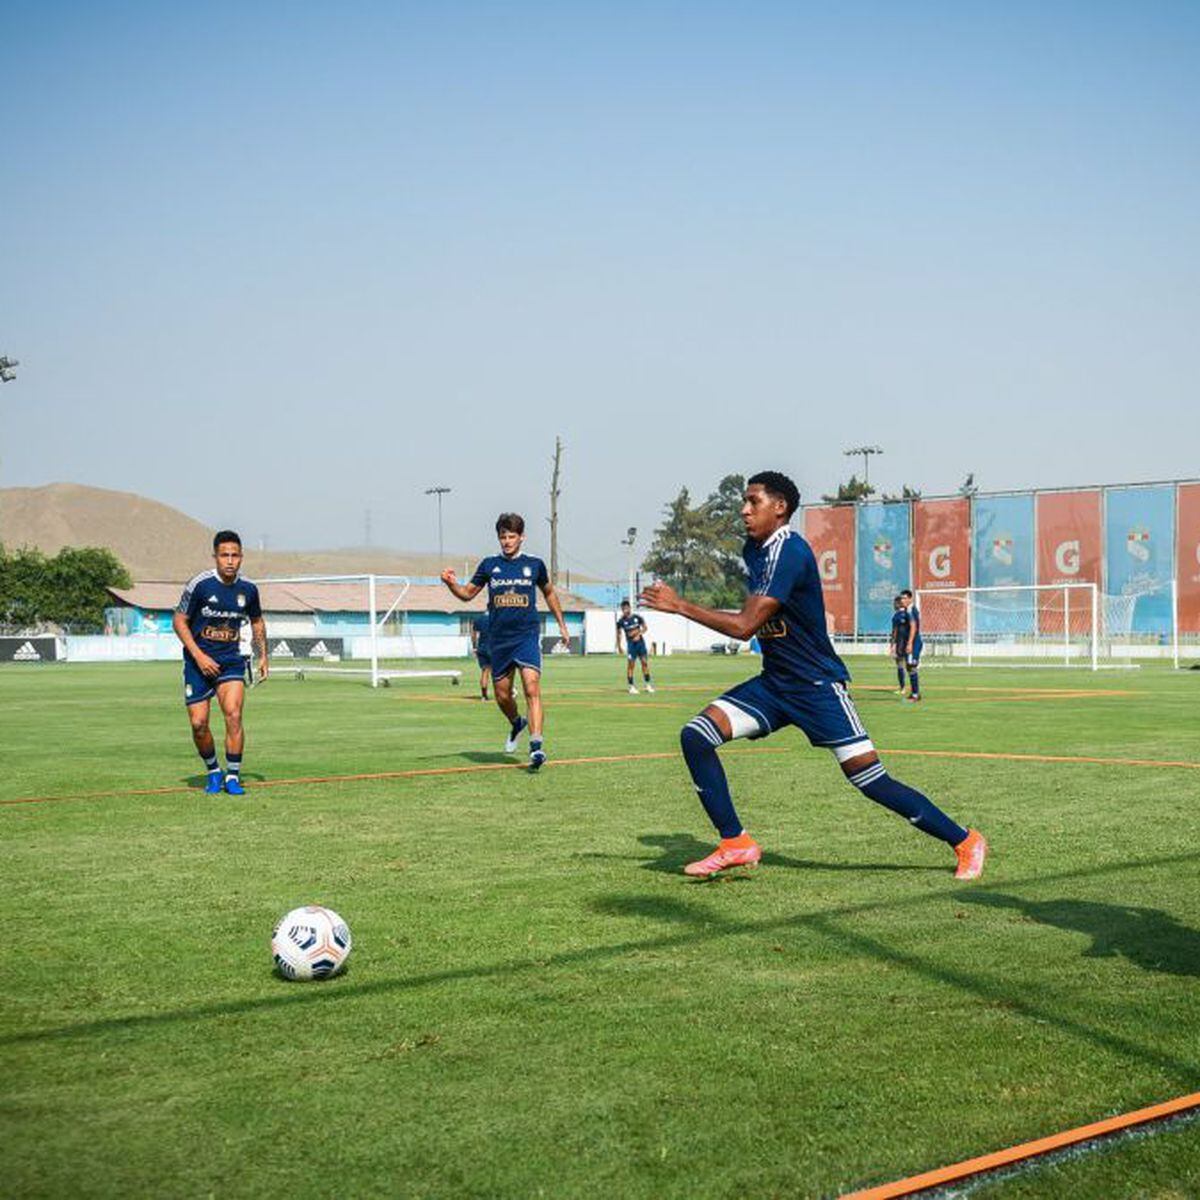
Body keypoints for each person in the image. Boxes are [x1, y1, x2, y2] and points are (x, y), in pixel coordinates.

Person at [641, 471, 985, 880]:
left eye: (754, 501)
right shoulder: (756, 550)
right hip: (774, 684)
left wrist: (680, 605)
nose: (744, 510)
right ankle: (736, 842)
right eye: (744, 502)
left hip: (817, 687)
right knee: (696, 736)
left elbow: (745, 626)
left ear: (780, 507)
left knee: (870, 779)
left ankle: (965, 840)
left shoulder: (789, 551)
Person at [441, 513, 571, 770]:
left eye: (512, 536)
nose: (507, 541)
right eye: (503, 536)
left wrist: (562, 625)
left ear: (522, 537)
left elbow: (549, 593)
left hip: (526, 636)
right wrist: (451, 584)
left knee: (531, 688)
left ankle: (536, 748)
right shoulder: (490, 565)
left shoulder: (535, 565)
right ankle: (516, 723)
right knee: (502, 696)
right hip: (499, 641)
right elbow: (467, 594)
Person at [172, 530, 268, 796]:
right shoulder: (199, 585)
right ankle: (214, 771)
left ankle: (233, 776)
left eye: (235, 555)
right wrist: (199, 656)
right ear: (215, 556)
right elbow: (179, 621)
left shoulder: (248, 589)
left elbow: (257, 621)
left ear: (241, 558)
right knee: (198, 724)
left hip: (230, 663)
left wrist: (263, 656)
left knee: (234, 715)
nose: (229, 560)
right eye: (224, 555)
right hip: (197, 663)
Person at [616, 599, 655, 694]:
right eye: (622, 609)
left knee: (644, 663)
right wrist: (619, 646)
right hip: (631, 646)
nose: (624, 611)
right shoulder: (621, 621)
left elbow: (645, 628)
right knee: (631, 666)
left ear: (629, 608)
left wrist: (638, 633)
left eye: (625, 608)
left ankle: (648, 685)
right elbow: (619, 634)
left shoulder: (637, 618)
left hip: (640, 644)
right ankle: (631, 687)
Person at [900, 588, 923, 702]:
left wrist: (909, 644)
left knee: (912, 667)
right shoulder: (907, 610)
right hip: (912, 643)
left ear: (910, 598)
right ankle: (914, 693)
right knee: (909, 667)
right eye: (901, 598)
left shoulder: (911, 610)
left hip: (914, 643)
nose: (902, 600)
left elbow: (913, 627)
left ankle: (915, 695)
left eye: (904, 598)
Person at [890, 595, 911, 695]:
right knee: (910, 666)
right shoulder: (909, 613)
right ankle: (914, 688)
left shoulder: (896, 615)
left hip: (900, 643)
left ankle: (902, 688)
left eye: (895, 603)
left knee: (900, 665)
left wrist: (892, 645)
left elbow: (894, 631)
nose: (893, 605)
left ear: (898, 604)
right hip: (910, 643)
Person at [471, 611, 492, 701]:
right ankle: (508, 692)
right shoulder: (497, 618)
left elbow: (474, 635)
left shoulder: (479, 619)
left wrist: (474, 647)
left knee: (485, 672)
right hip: (495, 648)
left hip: (482, 648)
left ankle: (484, 696)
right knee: (500, 672)